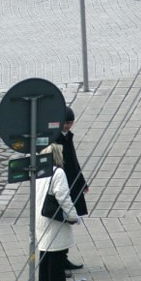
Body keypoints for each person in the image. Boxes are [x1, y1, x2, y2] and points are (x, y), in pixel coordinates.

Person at [36, 144, 79, 281]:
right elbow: (63, 197)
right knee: (57, 254)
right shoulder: (58, 173)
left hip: (39, 216)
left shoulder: (39, 172)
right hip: (53, 219)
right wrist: (73, 216)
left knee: (45, 252)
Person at [54, 106, 88, 271]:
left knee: (65, 224)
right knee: (62, 223)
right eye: (65, 123)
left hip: (71, 182)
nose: (68, 126)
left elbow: (74, 162)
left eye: (70, 123)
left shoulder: (67, 137)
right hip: (62, 185)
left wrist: (82, 182)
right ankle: (60, 259)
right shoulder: (56, 139)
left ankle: (63, 257)